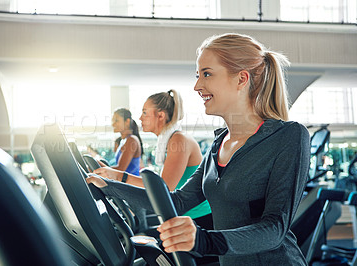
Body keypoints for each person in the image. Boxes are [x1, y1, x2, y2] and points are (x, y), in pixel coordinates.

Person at [87, 33, 310, 265]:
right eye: (198, 75)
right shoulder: (219, 144)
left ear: (241, 79)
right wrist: (110, 187)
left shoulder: (288, 136)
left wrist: (204, 241)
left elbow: (275, 228)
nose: (197, 86)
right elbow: (178, 201)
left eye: (207, 74)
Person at [94, 90, 213, 230]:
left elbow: (164, 187)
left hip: (199, 220)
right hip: (182, 218)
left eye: (144, 113)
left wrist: (118, 176)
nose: (140, 118)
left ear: (160, 115)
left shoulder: (179, 140)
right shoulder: (168, 140)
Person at [110, 108, 143, 176]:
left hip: (132, 185)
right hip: (124, 184)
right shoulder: (123, 141)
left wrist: (99, 168)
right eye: (113, 121)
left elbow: (120, 169)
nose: (113, 124)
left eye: (116, 121)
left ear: (127, 121)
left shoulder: (131, 140)